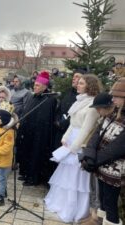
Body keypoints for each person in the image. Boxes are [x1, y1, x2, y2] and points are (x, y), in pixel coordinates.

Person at [45, 74, 102, 223]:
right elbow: (72, 122)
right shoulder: (79, 101)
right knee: (66, 176)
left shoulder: (93, 104)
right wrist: (65, 138)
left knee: (76, 178)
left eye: (82, 83)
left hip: (81, 144)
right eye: (79, 83)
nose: (78, 85)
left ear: (90, 86)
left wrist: (74, 147)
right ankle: (60, 203)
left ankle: (74, 209)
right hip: (71, 140)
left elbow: (86, 129)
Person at [80, 78, 125, 225]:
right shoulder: (113, 114)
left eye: (118, 97)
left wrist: (94, 161)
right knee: (103, 203)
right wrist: (89, 157)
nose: (114, 99)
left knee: (111, 207)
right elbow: (96, 136)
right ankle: (99, 221)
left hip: (114, 171)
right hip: (101, 167)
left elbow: (116, 149)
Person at [78, 93, 115, 225]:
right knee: (94, 188)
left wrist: (95, 159)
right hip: (96, 159)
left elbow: (113, 147)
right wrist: (89, 157)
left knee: (103, 195)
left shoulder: (116, 120)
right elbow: (94, 138)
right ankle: (93, 214)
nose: (98, 111)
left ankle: (97, 219)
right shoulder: (104, 118)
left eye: (100, 108)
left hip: (108, 163)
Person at [17, 71, 57, 185]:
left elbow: (46, 119)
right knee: (27, 153)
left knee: (35, 156)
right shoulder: (33, 96)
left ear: (44, 87)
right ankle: (26, 174)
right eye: (34, 85)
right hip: (29, 132)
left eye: (38, 85)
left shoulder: (49, 99)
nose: (35, 87)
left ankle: (33, 178)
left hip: (40, 134)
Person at [54, 72, 83, 149]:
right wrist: (57, 120)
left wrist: (64, 124)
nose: (73, 78)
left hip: (70, 133)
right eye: (73, 76)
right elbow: (59, 109)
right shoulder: (68, 93)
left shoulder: (82, 97)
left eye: (77, 77)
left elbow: (77, 116)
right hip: (59, 130)